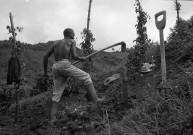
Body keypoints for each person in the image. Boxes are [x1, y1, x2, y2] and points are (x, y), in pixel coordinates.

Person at [43, 28, 104, 125]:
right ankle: (96, 100)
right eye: (73, 34)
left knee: (56, 94)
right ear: (70, 34)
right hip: (64, 64)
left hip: (55, 66)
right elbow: (74, 56)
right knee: (86, 77)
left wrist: (45, 72)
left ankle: (52, 119)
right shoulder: (72, 41)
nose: (74, 35)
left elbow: (46, 56)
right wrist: (81, 58)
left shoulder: (56, 43)